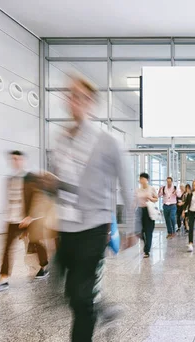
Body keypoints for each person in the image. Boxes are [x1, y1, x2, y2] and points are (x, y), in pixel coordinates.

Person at [49, 76, 133, 342]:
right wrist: (51, 183)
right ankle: (101, 309)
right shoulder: (61, 140)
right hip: (66, 226)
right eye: (70, 95)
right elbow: (64, 185)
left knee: (81, 295)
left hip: (95, 227)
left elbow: (126, 184)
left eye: (80, 96)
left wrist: (132, 226)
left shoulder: (107, 142)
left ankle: (88, 324)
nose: (73, 101)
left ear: (91, 103)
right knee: (72, 294)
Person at [0, 151, 50, 295]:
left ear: (23, 160)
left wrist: (30, 216)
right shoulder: (10, 179)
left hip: (29, 220)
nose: (15, 162)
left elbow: (40, 198)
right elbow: (11, 200)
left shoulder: (31, 178)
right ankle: (3, 279)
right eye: (13, 159)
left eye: (17, 159)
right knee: (7, 248)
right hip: (13, 220)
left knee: (36, 243)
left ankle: (44, 267)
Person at [136, 173, 157, 258]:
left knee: (148, 231)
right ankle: (146, 244)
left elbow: (156, 199)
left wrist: (151, 199)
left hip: (149, 211)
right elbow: (135, 200)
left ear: (147, 179)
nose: (141, 180)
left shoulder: (151, 188)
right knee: (139, 231)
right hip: (140, 210)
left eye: (143, 178)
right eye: (140, 178)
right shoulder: (138, 190)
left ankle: (146, 251)